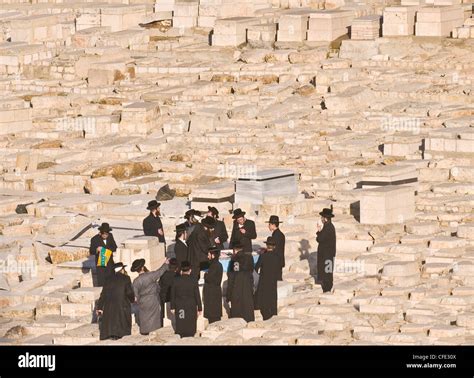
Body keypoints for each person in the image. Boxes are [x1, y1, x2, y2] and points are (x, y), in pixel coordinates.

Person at [96, 262, 134, 340]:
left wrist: (99, 307)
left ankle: (111, 335)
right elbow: (129, 292)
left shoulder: (108, 279)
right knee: (122, 324)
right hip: (122, 305)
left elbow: (103, 295)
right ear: (122, 269)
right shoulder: (126, 278)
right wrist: (132, 299)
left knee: (111, 323)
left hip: (110, 306)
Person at [131, 258, 169, 335]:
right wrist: (165, 263)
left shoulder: (135, 281)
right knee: (154, 317)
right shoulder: (150, 275)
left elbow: (135, 296)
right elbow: (160, 271)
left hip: (142, 301)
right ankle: (155, 332)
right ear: (142, 267)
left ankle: (145, 331)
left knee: (144, 317)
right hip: (153, 299)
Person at [170, 261, 203, 338]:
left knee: (181, 321)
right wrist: (200, 308)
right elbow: (197, 295)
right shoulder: (194, 280)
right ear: (190, 270)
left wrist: (172, 307)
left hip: (180, 305)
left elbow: (172, 295)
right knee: (190, 321)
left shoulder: (175, 280)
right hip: (191, 305)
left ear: (181, 271)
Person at [226, 242, 255, 322]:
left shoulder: (234, 260)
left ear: (235, 250)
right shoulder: (250, 258)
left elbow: (231, 278)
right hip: (247, 288)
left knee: (237, 316)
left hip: (236, 290)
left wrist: (228, 295)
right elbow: (251, 271)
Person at [254, 237, 280, 320]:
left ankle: (266, 316)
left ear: (267, 246)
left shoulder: (263, 256)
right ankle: (273, 315)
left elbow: (256, 268)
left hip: (264, 281)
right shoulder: (277, 257)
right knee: (272, 298)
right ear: (274, 247)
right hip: (273, 281)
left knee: (264, 300)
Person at [187, 216, 215, 281]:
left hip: (195, 260)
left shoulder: (198, 229)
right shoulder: (201, 234)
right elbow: (205, 248)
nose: (213, 230)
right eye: (211, 228)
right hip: (197, 262)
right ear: (207, 227)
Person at [316, 208, 337, 293]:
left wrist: (318, 231)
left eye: (322, 217)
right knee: (327, 271)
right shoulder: (328, 226)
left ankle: (327, 288)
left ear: (325, 218)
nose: (321, 219)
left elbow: (320, 239)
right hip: (327, 253)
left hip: (327, 254)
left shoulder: (328, 227)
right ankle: (326, 287)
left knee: (327, 272)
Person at [203, 247, 223, 324]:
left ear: (213, 255)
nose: (207, 256)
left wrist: (205, 275)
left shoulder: (214, 265)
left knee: (213, 319)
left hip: (212, 295)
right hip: (213, 294)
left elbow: (209, 278)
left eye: (208, 254)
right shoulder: (216, 264)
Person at [159, 258, 180, 327]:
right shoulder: (177, 276)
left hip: (164, 297)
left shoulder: (164, 274)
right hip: (173, 299)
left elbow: (160, 285)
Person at [265, 215, 286, 281]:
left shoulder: (276, 235)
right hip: (279, 260)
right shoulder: (279, 234)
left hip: (276, 261)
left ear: (273, 225)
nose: (268, 226)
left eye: (269, 224)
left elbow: (274, 249)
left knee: (277, 280)